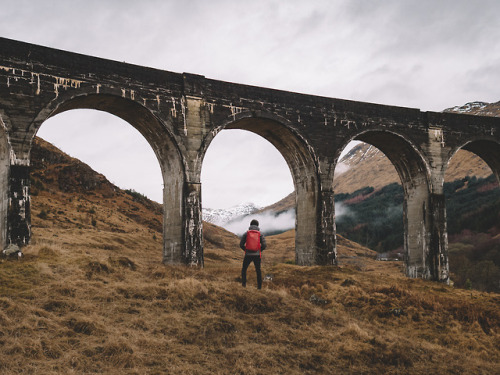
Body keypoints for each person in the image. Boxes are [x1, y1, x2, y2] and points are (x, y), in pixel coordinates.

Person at [240, 219, 267, 289]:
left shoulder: (246, 233)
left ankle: (244, 285)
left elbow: (241, 244)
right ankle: (259, 287)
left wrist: (246, 250)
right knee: (258, 270)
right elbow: (264, 245)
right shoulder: (260, 234)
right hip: (257, 255)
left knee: (244, 269)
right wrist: (259, 250)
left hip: (248, 255)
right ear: (258, 225)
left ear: (250, 225)